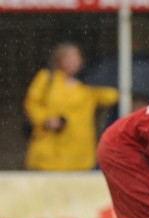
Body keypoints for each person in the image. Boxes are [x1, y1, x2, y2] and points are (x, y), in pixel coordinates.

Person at [23, 42, 119, 171]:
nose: (75, 61)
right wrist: (46, 119)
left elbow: (112, 96)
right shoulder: (47, 78)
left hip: (79, 153)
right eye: (70, 57)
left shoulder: (87, 83)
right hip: (49, 151)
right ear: (60, 60)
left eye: (77, 58)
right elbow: (32, 102)